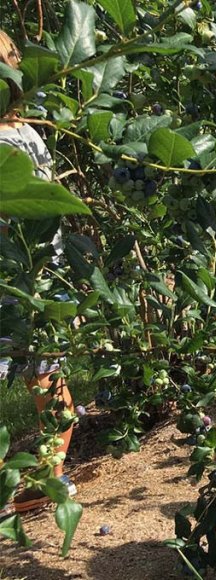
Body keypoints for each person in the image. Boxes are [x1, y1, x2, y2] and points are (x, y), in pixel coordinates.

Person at [0, 30, 77, 517]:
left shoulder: (16, 137)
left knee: (47, 381)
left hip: (14, 279)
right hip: (38, 280)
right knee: (49, 382)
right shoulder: (29, 132)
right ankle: (48, 481)